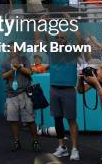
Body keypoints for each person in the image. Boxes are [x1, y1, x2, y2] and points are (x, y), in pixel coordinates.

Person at [34, 31, 82, 161]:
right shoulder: (52, 50)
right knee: (57, 118)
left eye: (62, 37)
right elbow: (37, 40)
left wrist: (72, 24)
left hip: (68, 90)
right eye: (57, 37)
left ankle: (75, 149)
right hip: (54, 89)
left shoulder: (73, 50)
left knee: (71, 120)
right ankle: (62, 147)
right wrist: (40, 26)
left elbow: (81, 41)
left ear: (67, 39)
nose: (60, 39)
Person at [1, 48, 41, 152]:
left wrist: (19, 67)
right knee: (13, 120)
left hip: (24, 93)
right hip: (11, 95)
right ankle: (16, 141)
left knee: (30, 120)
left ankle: (35, 141)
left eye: (14, 49)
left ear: (18, 51)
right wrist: (11, 70)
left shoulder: (25, 59)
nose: (12, 51)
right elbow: (3, 76)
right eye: (10, 49)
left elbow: (30, 72)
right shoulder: (5, 62)